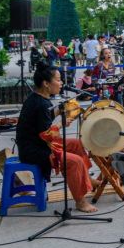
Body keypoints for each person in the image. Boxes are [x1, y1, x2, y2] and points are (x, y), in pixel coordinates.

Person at [16, 63, 96, 213]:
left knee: (77, 144)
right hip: (34, 150)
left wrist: (60, 110)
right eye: (58, 80)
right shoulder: (39, 104)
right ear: (46, 84)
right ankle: (80, 201)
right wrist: (61, 124)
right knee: (74, 161)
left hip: (40, 143)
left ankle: (87, 180)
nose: (61, 83)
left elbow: (42, 121)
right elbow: (45, 134)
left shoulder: (39, 99)